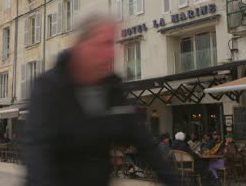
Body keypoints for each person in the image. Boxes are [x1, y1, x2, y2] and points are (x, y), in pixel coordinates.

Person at [23, 15, 180, 186]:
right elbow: (36, 151)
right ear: (81, 45)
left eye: (113, 43)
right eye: (104, 43)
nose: (112, 52)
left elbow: (145, 143)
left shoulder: (113, 89)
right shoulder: (48, 87)